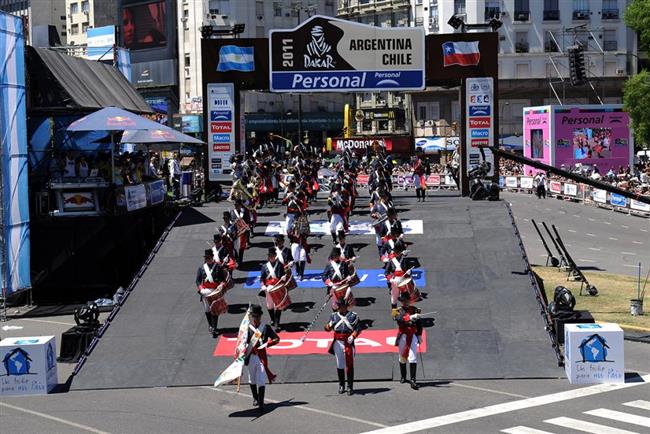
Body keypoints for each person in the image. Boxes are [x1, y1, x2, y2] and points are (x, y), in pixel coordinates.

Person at [245, 304, 280, 413]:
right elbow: (242, 343)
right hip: (251, 356)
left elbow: (276, 339)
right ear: (252, 317)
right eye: (254, 316)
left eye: (258, 316)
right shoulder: (247, 328)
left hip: (261, 356)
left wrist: (268, 344)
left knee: (261, 380)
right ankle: (255, 397)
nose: (256, 318)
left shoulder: (265, 328)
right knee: (252, 379)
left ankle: (261, 402)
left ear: (260, 316)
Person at [325, 297, 362, 395]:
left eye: (342, 306)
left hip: (348, 342)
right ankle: (341, 385)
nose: (340, 308)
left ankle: (350, 386)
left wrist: (353, 336)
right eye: (339, 306)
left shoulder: (353, 316)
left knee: (349, 364)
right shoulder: (333, 316)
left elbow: (359, 328)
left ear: (346, 306)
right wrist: (328, 325)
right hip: (338, 342)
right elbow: (327, 328)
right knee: (339, 364)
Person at [195, 249, 230, 338]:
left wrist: (221, 285)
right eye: (207, 258)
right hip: (205, 291)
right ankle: (211, 325)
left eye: (209, 258)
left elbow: (223, 279)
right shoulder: (201, 268)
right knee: (207, 309)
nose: (208, 259)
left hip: (215, 290)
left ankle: (214, 328)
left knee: (215, 309)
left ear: (212, 257)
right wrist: (201, 289)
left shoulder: (218, 267)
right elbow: (198, 281)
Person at [392, 291, 422, 390]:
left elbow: (419, 324)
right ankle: (403, 376)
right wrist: (409, 317)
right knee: (402, 356)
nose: (406, 303)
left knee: (413, 357)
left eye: (407, 301)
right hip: (403, 335)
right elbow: (398, 319)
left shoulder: (416, 310)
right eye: (404, 301)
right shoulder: (397, 310)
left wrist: (419, 335)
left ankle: (413, 380)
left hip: (412, 335)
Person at [260, 248, 287, 331]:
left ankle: (277, 323)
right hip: (268, 288)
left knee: (278, 306)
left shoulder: (280, 265)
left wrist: (284, 278)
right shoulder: (265, 266)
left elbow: (283, 275)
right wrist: (262, 286)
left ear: (275, 256)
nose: (271, 257)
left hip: (277, 287)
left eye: (272, 256)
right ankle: (273, 319)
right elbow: (262, 279)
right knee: (270, 306)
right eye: (269, 256)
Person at [384, 241, 409, 308]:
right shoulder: (391, 260)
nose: (398, 253)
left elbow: (406, 268)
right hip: (394, 281)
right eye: (397, 251)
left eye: (399, 251)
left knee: (406, 297)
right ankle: (394, 312)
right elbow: (386, 272)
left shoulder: (403, 258)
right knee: (394, 297)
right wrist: (390, 279)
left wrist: (409, 272)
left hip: (403, 280)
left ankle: (406, 310)